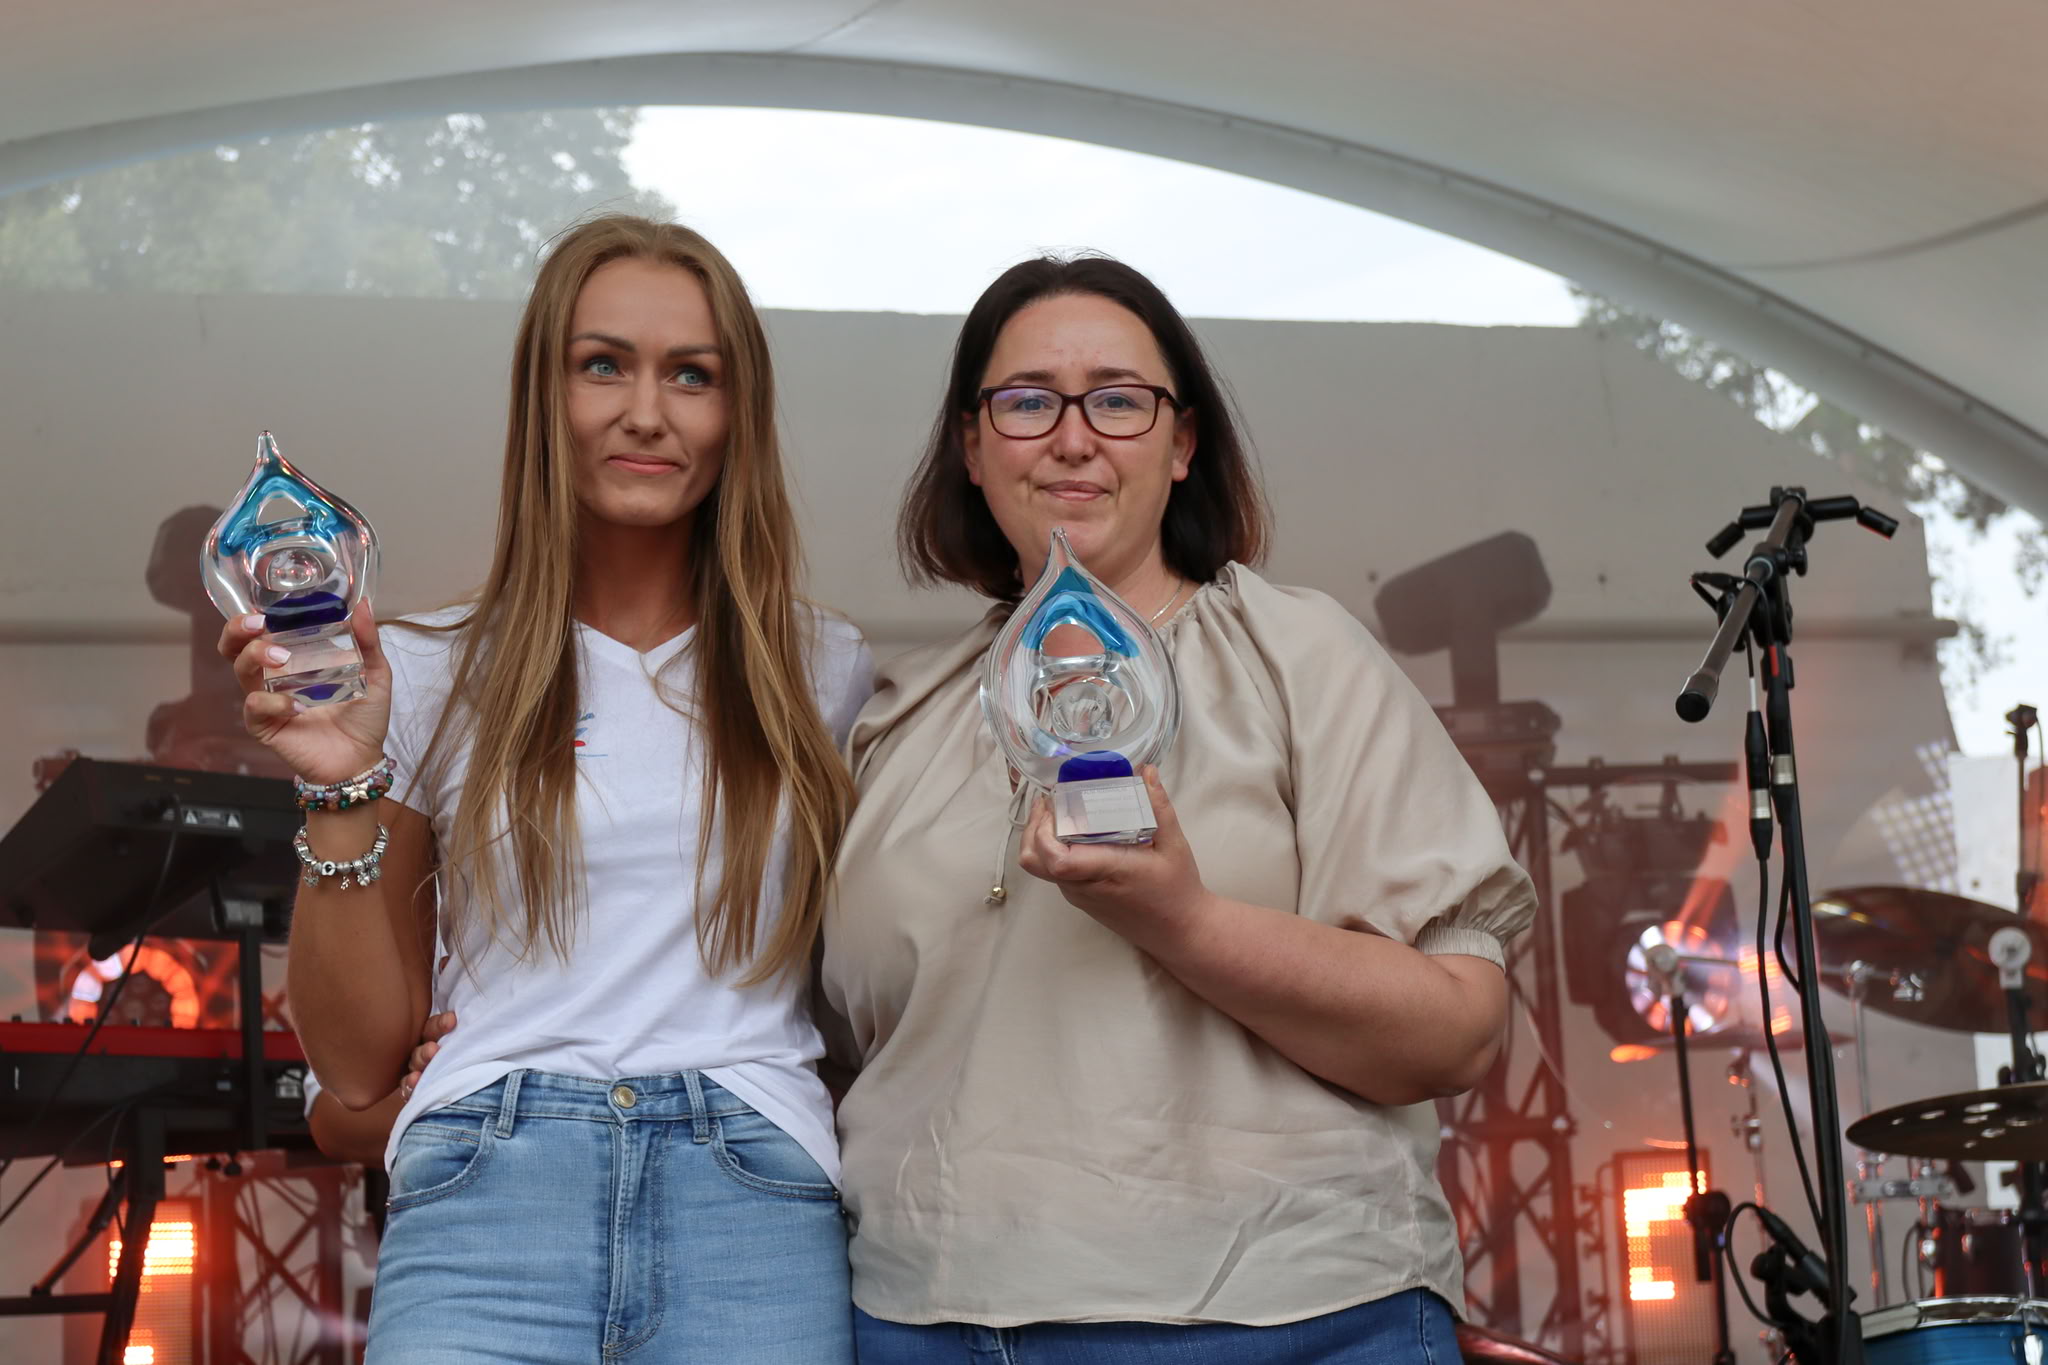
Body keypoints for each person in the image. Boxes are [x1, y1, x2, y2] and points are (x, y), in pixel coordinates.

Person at [822, 255, 1536, 1363]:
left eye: (1117, 400)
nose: (1072, 438)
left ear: (1182, 440)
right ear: (971, 445)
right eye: (1026, 402)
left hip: (1282, 1320)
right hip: (924, 1324)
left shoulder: (1299, 657)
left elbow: (1456, 1028)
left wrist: (1184, 921)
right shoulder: (894, 719)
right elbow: (826, 1052)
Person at [220, 214, 870, 1364]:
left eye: (692, 375)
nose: (646, 412)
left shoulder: (824, 670)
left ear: (737, 415)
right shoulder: (421, 669)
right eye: (602, 364)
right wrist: (339, 787)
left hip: (752, 1199)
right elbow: (356, 1067)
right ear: (543, 396)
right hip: (488, 1197)